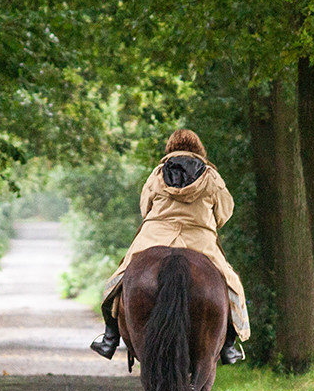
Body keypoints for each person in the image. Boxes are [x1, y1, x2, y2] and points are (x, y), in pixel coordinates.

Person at [90, 128, 249, 365]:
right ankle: (229, 345)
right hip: (199, 239)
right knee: (232, 286)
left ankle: (110, 337)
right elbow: (225, 212)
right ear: (198, 149)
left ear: (171, 148)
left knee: (116, 282)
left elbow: (145, 208)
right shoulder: (211, 176)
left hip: (156, 236)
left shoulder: (158, 174)